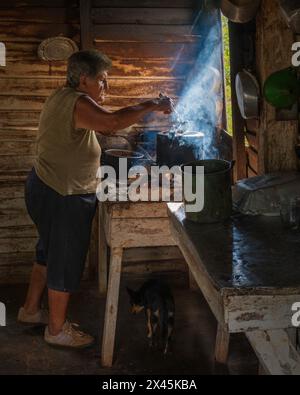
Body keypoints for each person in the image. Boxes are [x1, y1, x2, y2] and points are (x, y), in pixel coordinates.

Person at [17, 50, 174, 348]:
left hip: (44, 186)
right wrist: (153, 104)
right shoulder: (77, 102)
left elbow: (94, 130)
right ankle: (56, 330)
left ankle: (30, 310)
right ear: (84, 79)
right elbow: (111, 124)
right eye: (102, 81)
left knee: (48, 253)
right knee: (64, 261)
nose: (106, 87)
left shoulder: (61, 96)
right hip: (64, 195)